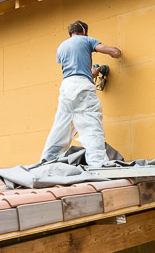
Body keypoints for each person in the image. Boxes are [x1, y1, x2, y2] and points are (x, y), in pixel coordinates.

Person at [38, 20, 123, 168]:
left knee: (61, 127)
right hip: (82, 86)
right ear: (84, 31)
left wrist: (92, 73)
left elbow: (73, 69)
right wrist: (116, 54)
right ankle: (98, 166)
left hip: (66, 89)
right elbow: (115, 52)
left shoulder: (61, 47)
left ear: (71, 33)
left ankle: (46, 163)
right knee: (91, 125)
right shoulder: (87, 40)